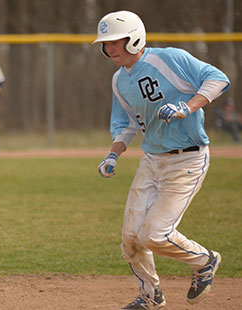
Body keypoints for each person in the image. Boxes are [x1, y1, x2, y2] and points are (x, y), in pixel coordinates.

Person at [93, 11, 229, 310]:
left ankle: (205, 260)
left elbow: (218, 79)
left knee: (154, 235)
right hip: (152, 161)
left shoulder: (169, 58)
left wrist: (187, 107)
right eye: (105, 43)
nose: (109, 48)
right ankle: (150, 295)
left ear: (135, 38)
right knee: (130, 238)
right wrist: (114, 153)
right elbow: (126, 124)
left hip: (187, 160)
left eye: (115, 41)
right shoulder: (119, 80)